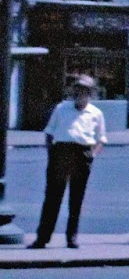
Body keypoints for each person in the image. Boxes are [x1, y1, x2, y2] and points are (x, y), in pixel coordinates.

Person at [30, 76, 109, 249]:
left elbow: (100, 139)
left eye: (84, 91)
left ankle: (71, 237)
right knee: (52, 197)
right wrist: (52, 153)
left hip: (82, 153)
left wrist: (92, 155)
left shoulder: (95, 113)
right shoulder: (61, 108)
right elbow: (49, 132)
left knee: (76, 199)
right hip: (61, 152)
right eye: (77, 90)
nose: (80, 94)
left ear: (90, 94)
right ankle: (42, 238)